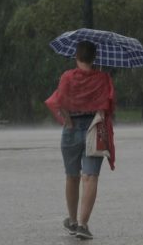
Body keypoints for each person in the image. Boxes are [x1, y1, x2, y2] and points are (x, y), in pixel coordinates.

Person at [45, 40, 115, 240]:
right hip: (95, 128)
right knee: (90, 177)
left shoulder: (67, 77)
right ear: (95, 58)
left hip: (71, 129)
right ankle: (83, 225)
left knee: (72, 176)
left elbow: (60, 102)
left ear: (76, 56)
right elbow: (107, 106)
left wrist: (68, 122)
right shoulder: (103, 78)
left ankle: (73, 220)